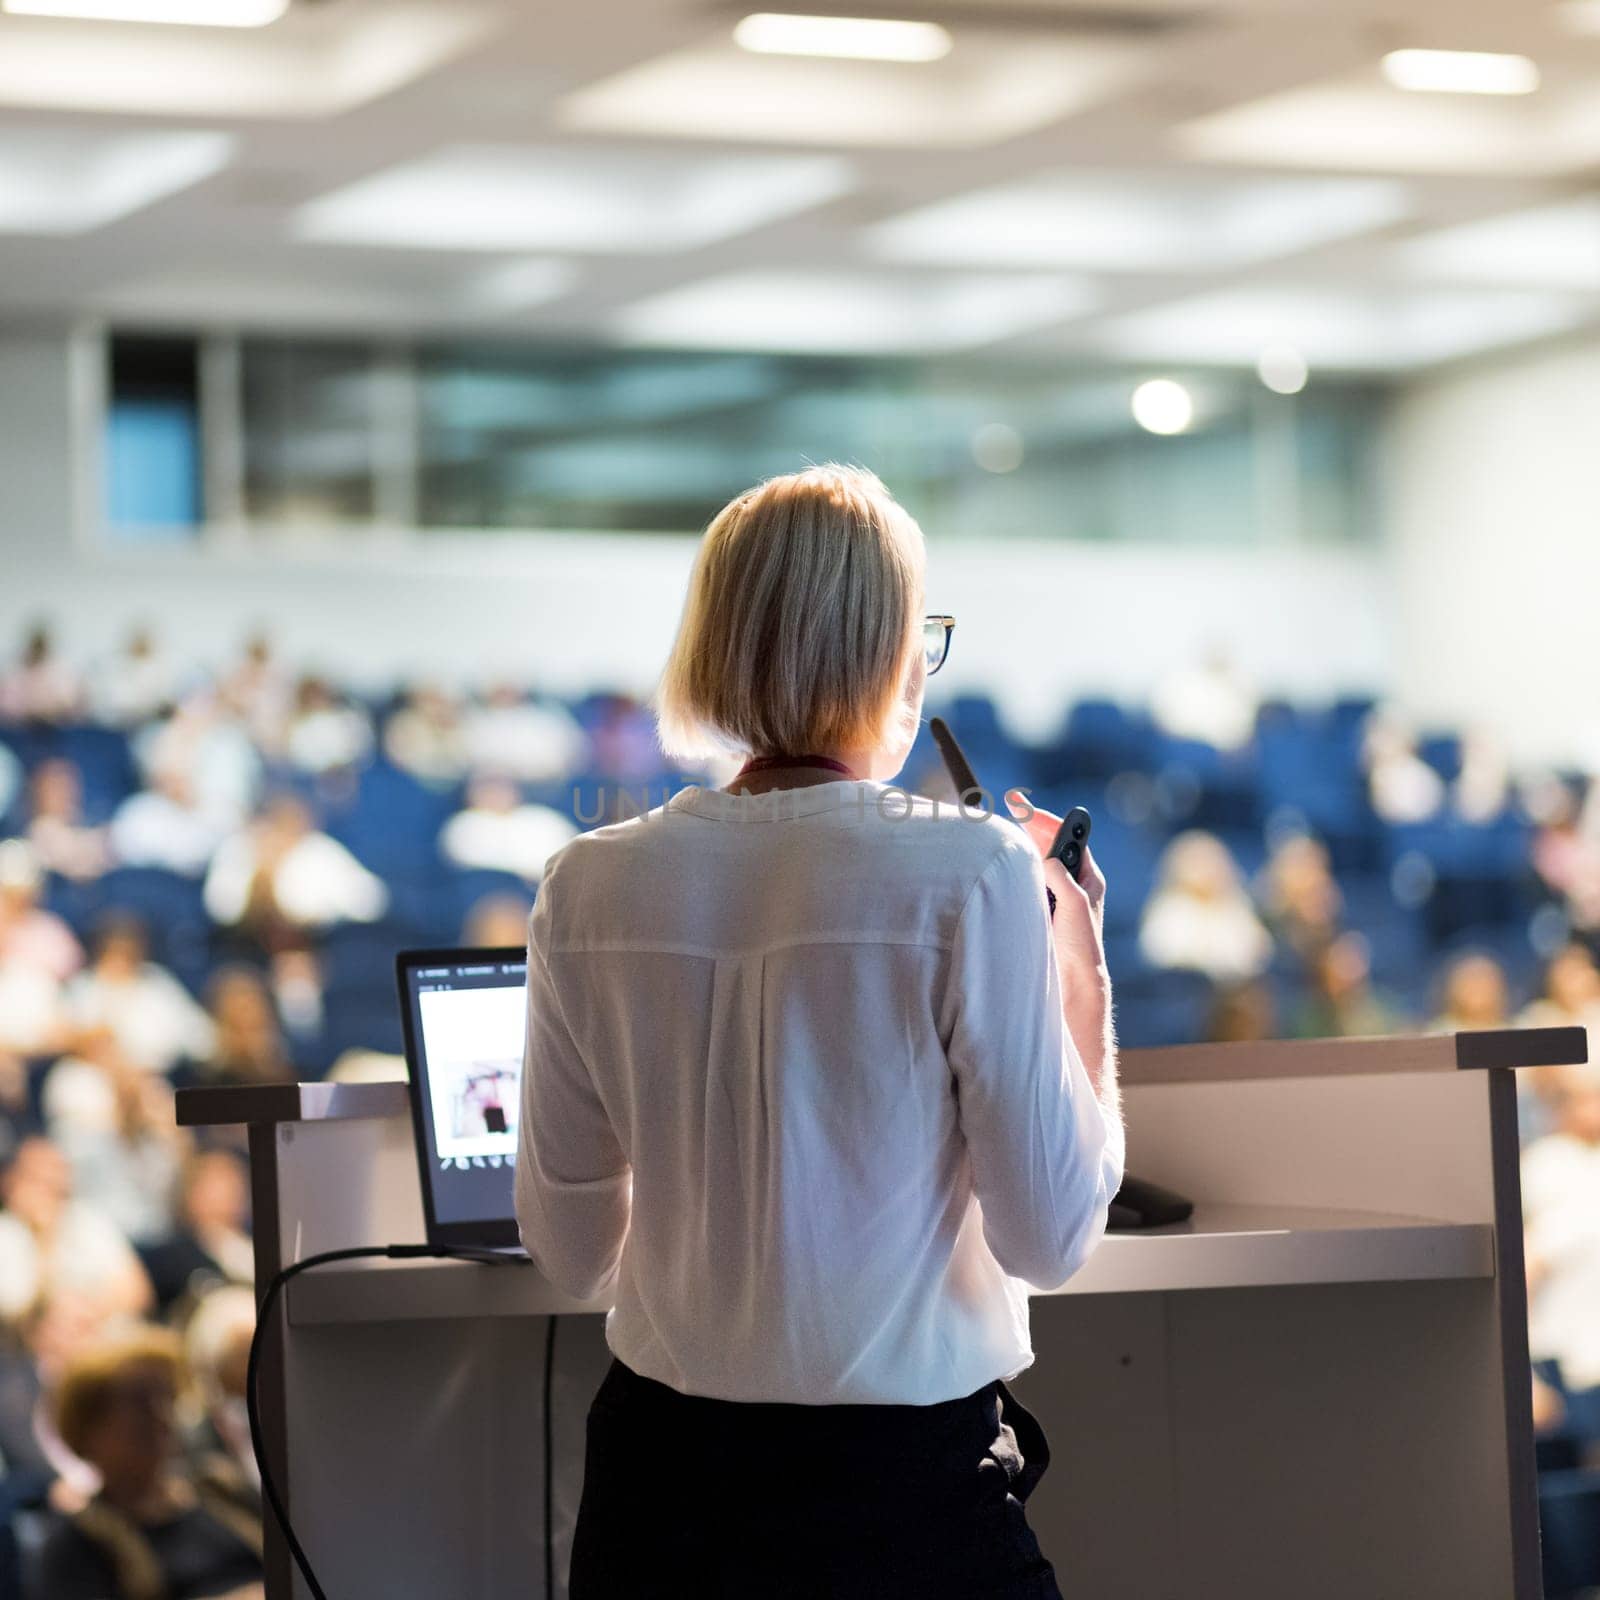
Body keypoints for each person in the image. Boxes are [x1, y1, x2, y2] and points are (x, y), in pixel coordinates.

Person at [515, 466, 1122, 1599]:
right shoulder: (973, 871)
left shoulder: (584, 884)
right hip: (899, 1499)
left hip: (658, 1498)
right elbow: (1049, 1236)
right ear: (890, 651)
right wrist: (1077, 974)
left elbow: (569, 1247)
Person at [36, 1325, 264, 1600]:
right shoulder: (78, 1544)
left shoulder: (220, 1490)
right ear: (89, 1429)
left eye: (167, 1396)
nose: (160, 1414)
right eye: (139, 1402)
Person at [1522, 1060, 1600, 1443]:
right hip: (1562, 1361)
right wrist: (1527, 1378)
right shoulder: (1548, 1164)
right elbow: (1527, 1265)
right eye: (1586, 1099)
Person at [203, 793, 386, 948]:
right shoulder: (238, 849)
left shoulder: (318, 850)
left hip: (315, 946)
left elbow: (371, 901)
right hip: (246, 950)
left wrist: (309, 911)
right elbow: (220, 909)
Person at [65, 915, 215, 1076]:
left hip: (156, 1076)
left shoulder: (157, 981)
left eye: (128, 953)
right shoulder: (83, 987)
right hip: (95, 1075)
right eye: (114, 952)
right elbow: (65, 1037)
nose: (120, 961)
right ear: (101, 952)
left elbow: (200, 1035)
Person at [1139, 830, 1272, 982]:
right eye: (1197, 863)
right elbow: (1161, 955)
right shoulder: (1170, 911)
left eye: (1213, 862)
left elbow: (1256, 954)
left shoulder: (1236, 909)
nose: (1208, 872)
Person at [439, 773, 577, 885]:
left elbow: (570, 861)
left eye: (500, 788)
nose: (495, 795)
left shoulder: (544, 819)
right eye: (487, 789)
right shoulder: (463, 825)